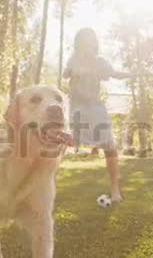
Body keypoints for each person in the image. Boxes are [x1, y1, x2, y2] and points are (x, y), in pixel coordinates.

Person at [63, 28, 135, 202]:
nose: (87, 44)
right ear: (78, 44)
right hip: (77, 109)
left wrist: (133, 73)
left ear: (94, 44)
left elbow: (115, 74)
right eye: (83, 41)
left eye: (90, 41)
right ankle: (44, 184)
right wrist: (73, 71)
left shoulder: (100, 62)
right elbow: (65, 74)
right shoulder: (74, 59)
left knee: (110, 148)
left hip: (95, 108)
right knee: (62, 144)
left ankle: (115, 190)